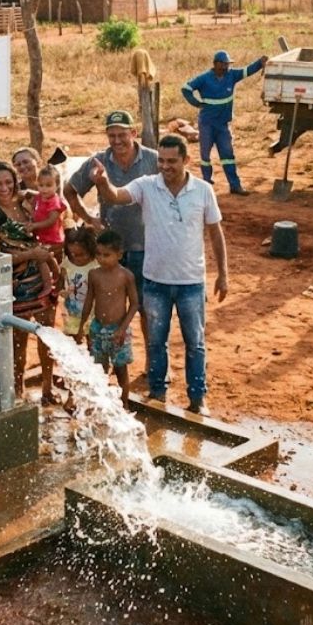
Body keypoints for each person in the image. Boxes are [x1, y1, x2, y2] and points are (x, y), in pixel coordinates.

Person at [91, 134, 228, 413]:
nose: (165, 167)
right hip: (155, 281)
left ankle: (197, 399)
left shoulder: (203, 191)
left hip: (191, 282)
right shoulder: (147, 186)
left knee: (196, 343)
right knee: (156, 342)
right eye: (162, 161)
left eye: (172, 162)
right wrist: (103, 182)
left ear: (186, 160)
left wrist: (223, 273)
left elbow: (216, 232)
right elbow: (117, 195)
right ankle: (158, 393)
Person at [66, 111, 159, 348]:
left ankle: (153, 362)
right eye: (112, 135)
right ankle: (103, 359)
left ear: (134, 133)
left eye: (122, 135)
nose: (117, 141)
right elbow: (70, 190)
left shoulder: (153, 160)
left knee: (146, 307)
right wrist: (89, 218)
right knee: (105, 304)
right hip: (107, 250)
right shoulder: (99, 161)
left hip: (144, 245)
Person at [0, 162, 59, 403]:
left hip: (41, 278)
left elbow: (53, 201)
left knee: (48, 338)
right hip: (15, 286)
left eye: (8, 182)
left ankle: (47, 388)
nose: (4, 188)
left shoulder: (26, 204)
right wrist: (32, 255)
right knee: (18, 344)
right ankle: (18, 390)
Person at [180, 50, 268, 195]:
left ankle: (235, 186)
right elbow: (186, 89)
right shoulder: (204, 78)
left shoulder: (232, 75)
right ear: (216, 64)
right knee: (205, 156)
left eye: (228, 64)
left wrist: (260, 62)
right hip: (207, 124)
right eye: (224, 64)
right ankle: (206, 185)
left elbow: (247, 71)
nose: (227, 67)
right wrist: (196, 103)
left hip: (223, 125)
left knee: (228, 155)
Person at [79, 230, 139, 406]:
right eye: (98, 254)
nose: (101, 259)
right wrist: (83, 326)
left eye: (107, 255)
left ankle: (124, 403)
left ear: (119, 255)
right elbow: (89, 301)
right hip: (98, 328)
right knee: (99, 369)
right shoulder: (94, 275)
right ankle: (103, 404)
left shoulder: (126, 276)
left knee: (120, 369)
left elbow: (134, 304)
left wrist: (122, 329)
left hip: (118, 330)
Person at [60, 226, 99, 341]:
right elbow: (62, 283)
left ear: (91, 250)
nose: (76, 258)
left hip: (93, 314)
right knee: (71, 344)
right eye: (72, 254)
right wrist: (63, 292)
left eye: (81, 254)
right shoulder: (66, 264)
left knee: (92, 344)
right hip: (72, 313)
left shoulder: (96, 265)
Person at [27, 164, 68, 267]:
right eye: (41, 185)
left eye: (48, 185)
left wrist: (35, 225)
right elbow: (35, 204)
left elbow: (51, 220)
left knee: (51, 262)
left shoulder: (54, 201)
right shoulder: (40, 197)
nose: (44, 189)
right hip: (42, 238)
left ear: (57, 185)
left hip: (53, 240)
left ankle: (55, 279)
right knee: (43, 262)